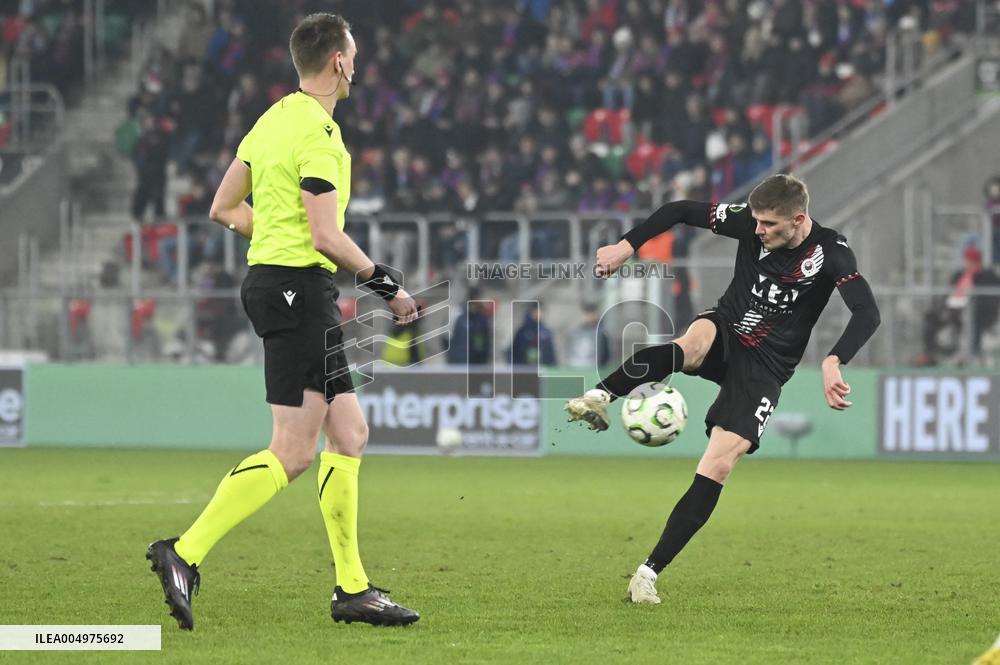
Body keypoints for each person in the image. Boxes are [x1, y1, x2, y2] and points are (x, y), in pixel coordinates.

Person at [145, 13, 420, 629]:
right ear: (340, 63)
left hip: (278, 284)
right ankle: (183, 552)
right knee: (293, 451)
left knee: (347, 433)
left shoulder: (270, 120)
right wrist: (387, 285)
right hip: (297, 289)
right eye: (355, 53)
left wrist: (271, 232)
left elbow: (223, 207)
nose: (359, 63)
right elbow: (326, 235)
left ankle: (352, 589)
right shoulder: (321, 135)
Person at [564, 174, 880, 603]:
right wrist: (627, 245)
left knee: (718, 465)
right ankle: (600, 396)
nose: (758, 231)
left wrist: (833, 360)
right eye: (757, 222)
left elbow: (866, 313)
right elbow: (679, 210)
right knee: (690, 345)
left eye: (769, 225)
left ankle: (646, 574)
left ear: (798, 219)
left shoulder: (831, 253)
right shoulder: (749, 224)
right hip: (728, 327)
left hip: (767, 367)